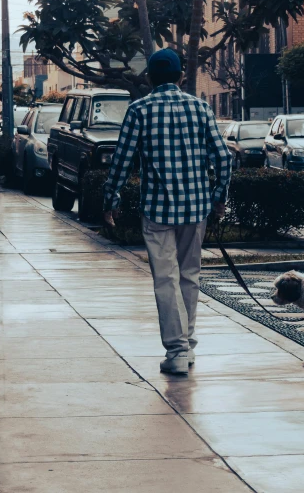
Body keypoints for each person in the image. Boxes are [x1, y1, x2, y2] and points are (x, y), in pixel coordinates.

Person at [103, 48, 232, 375]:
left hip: (157, 210)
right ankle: (186, 347)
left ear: (149, 77)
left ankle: (176, 351)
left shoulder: (139, 110)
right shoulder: (201, 108)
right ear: (179, 76)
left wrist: (111, 200)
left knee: (166, 279)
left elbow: (121, 161)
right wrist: (218, 197)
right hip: (196, 207)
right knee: (189, 276)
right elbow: (223, 158)